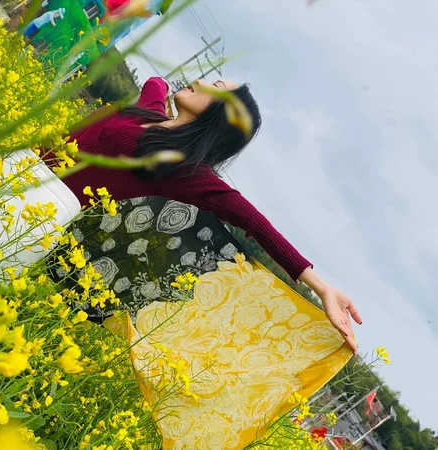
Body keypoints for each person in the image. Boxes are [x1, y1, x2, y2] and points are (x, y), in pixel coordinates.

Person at [42, 77, 362, 353]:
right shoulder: (148, 112)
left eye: (216, 87)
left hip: (41, 221)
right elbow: (155, 84)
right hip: (18, 175)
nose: (201, 82)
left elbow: (257, 224)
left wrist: (322, 288)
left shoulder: (187, 171)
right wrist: (162, 89)